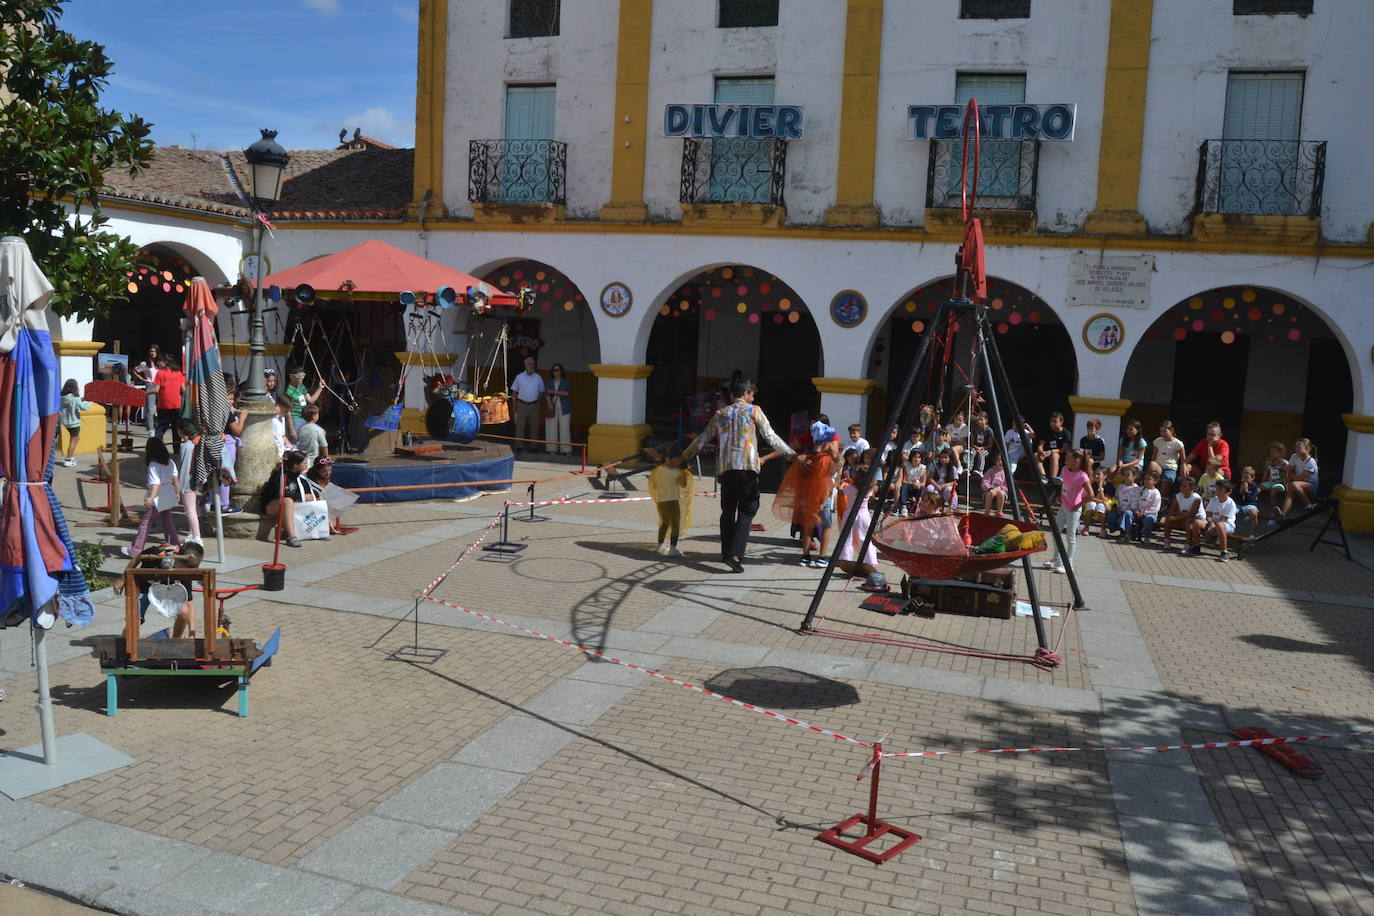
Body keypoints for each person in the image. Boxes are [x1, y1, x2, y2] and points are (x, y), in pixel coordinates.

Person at [683, 376, 802, 572]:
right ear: (745, 394)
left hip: (726, 469)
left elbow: (703, 438)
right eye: (752, 394)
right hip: (747, 468)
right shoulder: (754, 411)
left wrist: (684, 455)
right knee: (748, 510)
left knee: (728, 511)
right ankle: (735, 554)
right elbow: (770, 437)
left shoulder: (721, 413)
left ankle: (726, 551)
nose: (753, 398)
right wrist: (792, 455)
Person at [112, 541, 205, 639]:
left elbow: (189, 603)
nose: (181, 571)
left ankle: (174, 642)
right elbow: (138, 557)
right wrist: (122, 579)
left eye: (185, 570)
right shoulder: (158, 554)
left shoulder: (186, 571)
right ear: (177, 556)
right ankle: (125, 643)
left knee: (185, 612)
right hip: (143, 587)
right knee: (134, 624)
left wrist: (192, 634)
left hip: (166, 590)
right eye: (180, 567)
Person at [775, 424, 838, 566]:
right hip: (822, 498)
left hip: (807, 496)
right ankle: (822, 557)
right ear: (826, 441)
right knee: (826, 526)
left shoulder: (805, 457)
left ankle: (805, 556)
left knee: (808, 525)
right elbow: (827, 479)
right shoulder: (825, 460)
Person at [122, 437, 180, 557]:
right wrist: (177, 493)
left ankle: (136, 549)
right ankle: (175, 545)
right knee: (167, 522)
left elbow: (155, 483)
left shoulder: (154, 465)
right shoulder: (170, 462)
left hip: (157, 497)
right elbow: (175, 479)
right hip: (168, 493)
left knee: (145, 524)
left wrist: (151, 498)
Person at [1042, 449, 1089, 574]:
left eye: (1068, 459)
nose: (1065, 461)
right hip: (1064, 506)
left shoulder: (1083, 476)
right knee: (1056, 532)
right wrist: (1060, 483)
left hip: (1074, 510)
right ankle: (1056, 560)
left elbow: (1090, 495)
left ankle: (1069, 564)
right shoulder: (1064, 469)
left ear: (1077, 461)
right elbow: (1064, 482)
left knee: (1070, 537)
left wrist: (1078, 505)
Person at [648, 445, 694, 558]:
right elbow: (683, 485)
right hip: (672, 501)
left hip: (661, 500)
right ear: (672, 459)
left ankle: (660, 545)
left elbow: (654, 485)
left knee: (665, 523)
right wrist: (685, 473)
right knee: (675, 524)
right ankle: (673, 548)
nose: (679, 462)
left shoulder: (659, 470)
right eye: (679, 459)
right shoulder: (676, 472)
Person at [260, 450, 311, 548]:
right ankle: (291, 537)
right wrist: (301, 497)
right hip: (270, 505)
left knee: (307, 499)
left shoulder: (298, 476)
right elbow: (281, 495)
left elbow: (308, 492)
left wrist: (306, 496)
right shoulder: (280, 474)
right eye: (304, 463)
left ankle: (319, 529)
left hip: (288, 503)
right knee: (288, 501)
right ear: (296, 465)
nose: (306, 465)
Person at [307, 457, 358, 535]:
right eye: (324, 471)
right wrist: (329, 523)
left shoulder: (325, 477)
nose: (327, 473)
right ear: (317, 470)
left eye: (329, 470)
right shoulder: (311, 482)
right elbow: (319, 506)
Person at [509, 356, 545, 452]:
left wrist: (538, 404)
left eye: (533, 364)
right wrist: (514, 405)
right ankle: (519, 446)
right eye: (529, 364)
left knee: (534, 426)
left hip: (534, 405)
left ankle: (534, 446)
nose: (531, 366)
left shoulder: (538, 378)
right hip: (521, 404)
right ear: (525, 365)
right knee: (520, 426)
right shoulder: (519, 377)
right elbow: (514, 392)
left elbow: (541, 393)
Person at [175, 418, 202, 545]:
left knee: (190, 511)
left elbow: (184, 468)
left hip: (187, 484)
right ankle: (191, 534)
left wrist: (180, 487)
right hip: (193, 482)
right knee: (192, 510)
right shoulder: (193, 445)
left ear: (180, 431)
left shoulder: (186, 446)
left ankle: (197, 536)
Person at [1160, 475, 1205, 552]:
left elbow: (1192, 514)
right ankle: (1166, 542)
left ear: (1191, 488)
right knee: (1168, 519)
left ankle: (1188, 545)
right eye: (1181, 485)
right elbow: (1172, 510)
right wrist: (1176, 516)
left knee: (1188, 521)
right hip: (1183, 518)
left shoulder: (1196, 498)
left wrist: (1176, 517)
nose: (1181, 487)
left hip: (1197, 520)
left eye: (1184, 486)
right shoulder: (1178, 496)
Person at [152, 356, 187, 445]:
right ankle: (176, 450)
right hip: (176, 405)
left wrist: (145, 393)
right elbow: (183, 390)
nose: (158, 364)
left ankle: (157, 446)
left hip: (163, 405)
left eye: (159, 362)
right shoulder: (178, 373)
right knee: (176, 429)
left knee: (161, 427)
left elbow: (156, 390)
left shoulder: (160, 373)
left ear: (165, 362)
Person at [1281, 437, 1319, 516]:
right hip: (1298, 483)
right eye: (1295, 447)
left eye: (1299, 447)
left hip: (1311, 485)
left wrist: (1288, 471)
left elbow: (1298, 478)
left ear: (1308, 449)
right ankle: (1282, 514)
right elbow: (1289, 468)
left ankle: (1308, 504)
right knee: (1290, 493)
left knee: (1294, 484)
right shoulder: (1294, 456)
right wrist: (1287, 477)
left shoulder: (1311, 462)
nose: (1296, 449)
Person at [1204, 478, 1239, 562]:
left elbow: (1222, 520)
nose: (1217, 491)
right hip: (1213, 524)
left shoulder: (1231, 503)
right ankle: (1194, 546)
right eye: (1217, 489)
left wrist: (1211, 530)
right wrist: (1211, 524)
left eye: (1220, 489)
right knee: (1197, 522)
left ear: (1228, 492)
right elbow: (1208, 514)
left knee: (1219, 525)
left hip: (1227, 525)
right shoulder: (1213, 499)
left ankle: (1224, 552)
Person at [1149, 421, 1185, 501]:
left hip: (1170, 467)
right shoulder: (1157, 441)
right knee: (1152, 465)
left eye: (1165, 431)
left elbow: (1183, 460)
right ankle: (1151, 492)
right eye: (1161, 431)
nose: (1162, 434)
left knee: (1166, 481)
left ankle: (1161, 500)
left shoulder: (1178, 444)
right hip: (1158, 466)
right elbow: (1153, 457)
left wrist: (1183, 470)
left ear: (1171, 431)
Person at [543, 362, 573, 454]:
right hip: (552, 407)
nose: (555, 372)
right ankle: (551, 449)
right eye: (554, 370)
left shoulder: (565, 381)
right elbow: (547, 393)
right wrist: (549, 403)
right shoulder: (550, 381)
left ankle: (566, 449)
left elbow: (567, 393)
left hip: (564, 407)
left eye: (557, 370)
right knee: (551, 428)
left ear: (561, 371)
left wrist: (553, 392)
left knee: (565, 428)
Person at [1106, 466, 1141, 539]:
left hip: (1131, 511)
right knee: (1111, 514)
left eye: (1128, 475)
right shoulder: (1120, 487)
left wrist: (1128, 510)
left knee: (1127, 514)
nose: (1125, 477)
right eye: (1124, 475)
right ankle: (1116, 529)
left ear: (1134, 476)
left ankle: (1127, 533)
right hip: (1120, 509)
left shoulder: (1137, 489)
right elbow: (1116, 498)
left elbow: (1135, 502)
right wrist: (1117, 507)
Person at [60, 379, 88, 467]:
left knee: (76, 438)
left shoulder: (62, 398)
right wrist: (88, 401)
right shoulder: (75, 399)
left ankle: (71, 456)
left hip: (65, 422)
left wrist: (80, 400)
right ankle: (68, 459)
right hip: (74, 422)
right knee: (74, 439)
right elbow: (83, 407)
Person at [1035, 411, 1071, 480]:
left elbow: (1065, 449)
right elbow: (1040, 445)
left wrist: (1051, 451)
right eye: (1051, 421)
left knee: (1054, 455)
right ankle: (1043, 476)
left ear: (1061, 422)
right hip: (1047, 454)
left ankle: (1053, 478)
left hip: (1060, 456)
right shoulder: (1047, 431)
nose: (1052, 423)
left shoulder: (1066, 433)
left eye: (1055, 421)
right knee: (1036, 455)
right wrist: (1041, 452)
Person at [1112, 418, 1149, 482]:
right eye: (1128, 429)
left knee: (1128, 473)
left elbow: (1137, 460)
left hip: (1135, 464)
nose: (1128, 431)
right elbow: (1120, 454)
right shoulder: (1123, 440)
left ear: (1137, 430)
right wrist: (1120, 462)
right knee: (1111, 471)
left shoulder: (1142, 443)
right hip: (1124, 462)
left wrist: (1124, 466)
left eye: (1131, 429)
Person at [1260, 441, 1289, 518]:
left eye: (1274, 452)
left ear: (1280, 453)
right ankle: (1252, 508)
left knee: (1273, 491)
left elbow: (1286, 475)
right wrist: (1262, 483)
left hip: (1280, 483)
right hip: (1271, 482)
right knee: (1257, 489)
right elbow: (1266, 472)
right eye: (1270, 452)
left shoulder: (1284, 463)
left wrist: (1286, 485)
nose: (1271, 454)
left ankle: (1273, 512)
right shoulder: (1269, 462)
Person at [135, 344, 159, 433]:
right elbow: (135, 370)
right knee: (150, 408)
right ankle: (150, 429)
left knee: (161, 407)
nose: (153, 353)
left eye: (154, 351)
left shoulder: (160, 363)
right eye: (151, 351)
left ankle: (159, 426)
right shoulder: (145, 363)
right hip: (150, 384)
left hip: (160, 385)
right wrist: (142, 379)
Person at [1134, 471, 1163, 543]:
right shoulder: (1141, 489)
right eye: (1145, 479)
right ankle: (1127, 533)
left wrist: (1144, 513)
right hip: (1138, 513)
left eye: (1149, 479)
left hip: (1150, 514)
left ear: (1155, 481)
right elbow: (1135, 500)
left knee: (1148, 519)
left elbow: (1155, 508)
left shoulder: (1156, 493)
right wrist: (1136, 510)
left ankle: (1146, 536)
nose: (1146, 481)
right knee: (1128, 514)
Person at [1083, 464, 1111, 537]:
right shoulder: (1093, 484)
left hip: (1106, 505)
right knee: (1091, 504)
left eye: (1098, 474)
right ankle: (1086, 527)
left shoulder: (1109, 486)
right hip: (1098, 502)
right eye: (1095, 474)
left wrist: (1100, 487)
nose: (1096, 476)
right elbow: (1091, 497)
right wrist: (1102, 502)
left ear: (1105, 476)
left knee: (1101, 506)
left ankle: (1103, 529)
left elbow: (1105, 499)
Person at [1234, 466, 1262, 533]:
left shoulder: (1255, 487)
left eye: (1247, 478)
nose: (1244, 480)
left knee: (1254, 514)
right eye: (1243, 478)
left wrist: (1246, 491)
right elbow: (1234, 497)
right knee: (1230, 512)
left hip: (1249, 504)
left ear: (1252, 478)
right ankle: (1229, 530)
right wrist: (1240, 491)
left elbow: (1252, 500)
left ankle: (1253, 533)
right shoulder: (1239, 484)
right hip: (1239, 504)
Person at [966, 411, 993, 477]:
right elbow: (972, 443)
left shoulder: (989, 430)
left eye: (981, 419)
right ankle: (968, 469)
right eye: (978, 420)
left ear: (986, 420)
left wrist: (982, 448)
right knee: (971, 452)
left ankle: (980, 470)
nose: (979, 421)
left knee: (981, 454)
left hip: (985, 449)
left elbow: (990, 444)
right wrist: (976, 447)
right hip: (976, 447)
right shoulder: (975, 429)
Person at [981, 451, 1009, 516]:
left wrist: (1000, 488)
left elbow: (1007, 486)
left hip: (1001, 491)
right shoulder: (991, 471)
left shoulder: (1006, 473)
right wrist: (990, 488)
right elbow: (985, 481)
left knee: (1001, 493)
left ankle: (999, 511)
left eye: (1002, 461)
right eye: (998, 460)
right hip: (991, 490)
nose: (1001, 462)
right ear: (995, 461)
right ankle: (987, 512)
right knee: (990, 493)